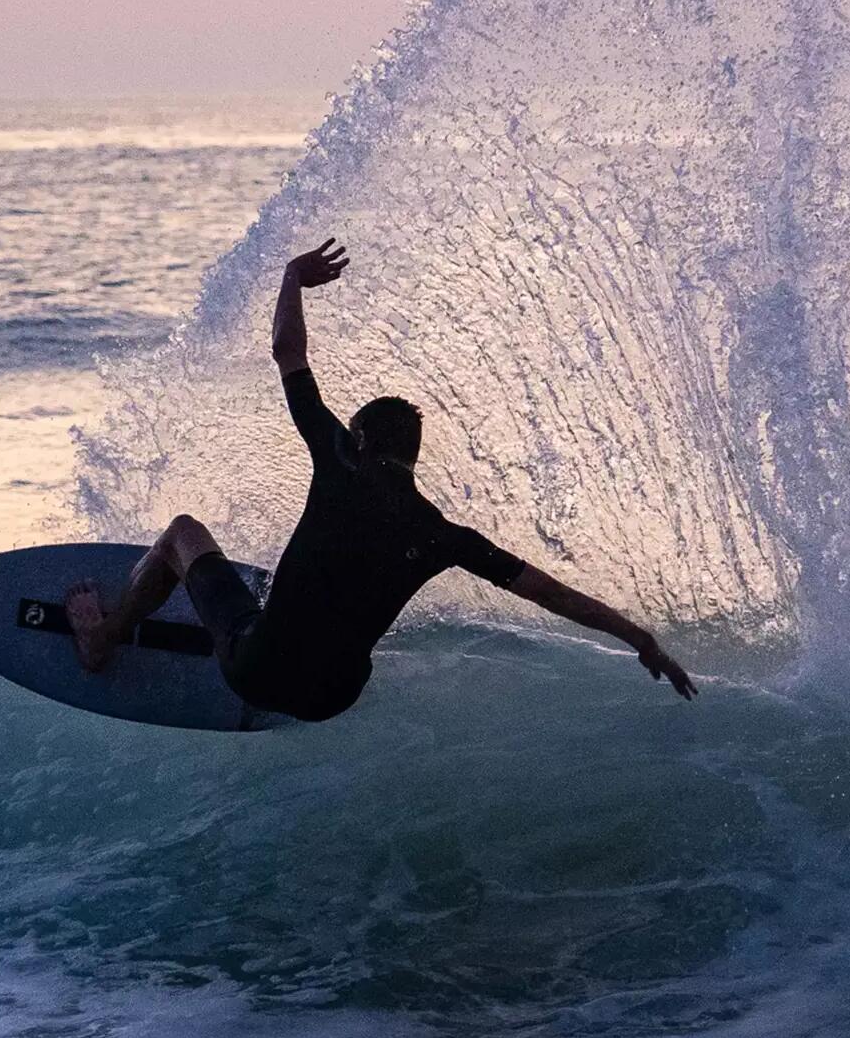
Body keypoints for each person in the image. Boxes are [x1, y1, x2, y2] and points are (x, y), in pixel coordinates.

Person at [65, 238, 697, 721]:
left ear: (361, 440)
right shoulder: (446, 535)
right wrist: (642, 639)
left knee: (182, 533)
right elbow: (554, 596)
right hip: (334, 701)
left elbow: (288, 352)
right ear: (413, 456)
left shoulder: (340, 460)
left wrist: (292, 276)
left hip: (258, 672)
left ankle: (101, 638)